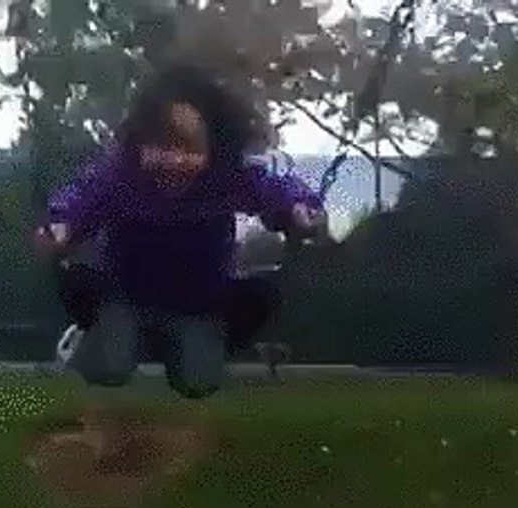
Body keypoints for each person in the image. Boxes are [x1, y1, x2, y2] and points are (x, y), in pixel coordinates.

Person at [35, 63, 326, 399]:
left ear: (213, 149)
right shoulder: (120, 176)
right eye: (161, 147)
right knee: (109, 368)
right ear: (140, 143)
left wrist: (300, 209)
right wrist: (60, 226)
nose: (174, 161)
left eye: (189, 150)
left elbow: (276, 189)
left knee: (198, 382)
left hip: (197, 305)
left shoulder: (228, 178)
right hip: (125, 300)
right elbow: (81, 198)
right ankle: (91, 338)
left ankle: (202, 345)